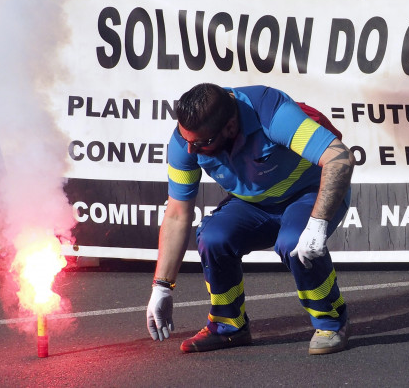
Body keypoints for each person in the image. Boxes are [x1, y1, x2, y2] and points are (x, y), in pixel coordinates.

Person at [146, 83, 354, 355]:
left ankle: (332, 322)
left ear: (231, 127)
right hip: (255, 204)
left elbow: (340, 158)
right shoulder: (186, 142)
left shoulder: (271, 111)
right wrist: (162, 287)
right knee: (213, 236)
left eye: (200, 144)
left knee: (293, 242)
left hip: (309, 194)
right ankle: (228, 325)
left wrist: (317, 223)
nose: (189, 151)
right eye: (186, 140)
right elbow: (176, 214)